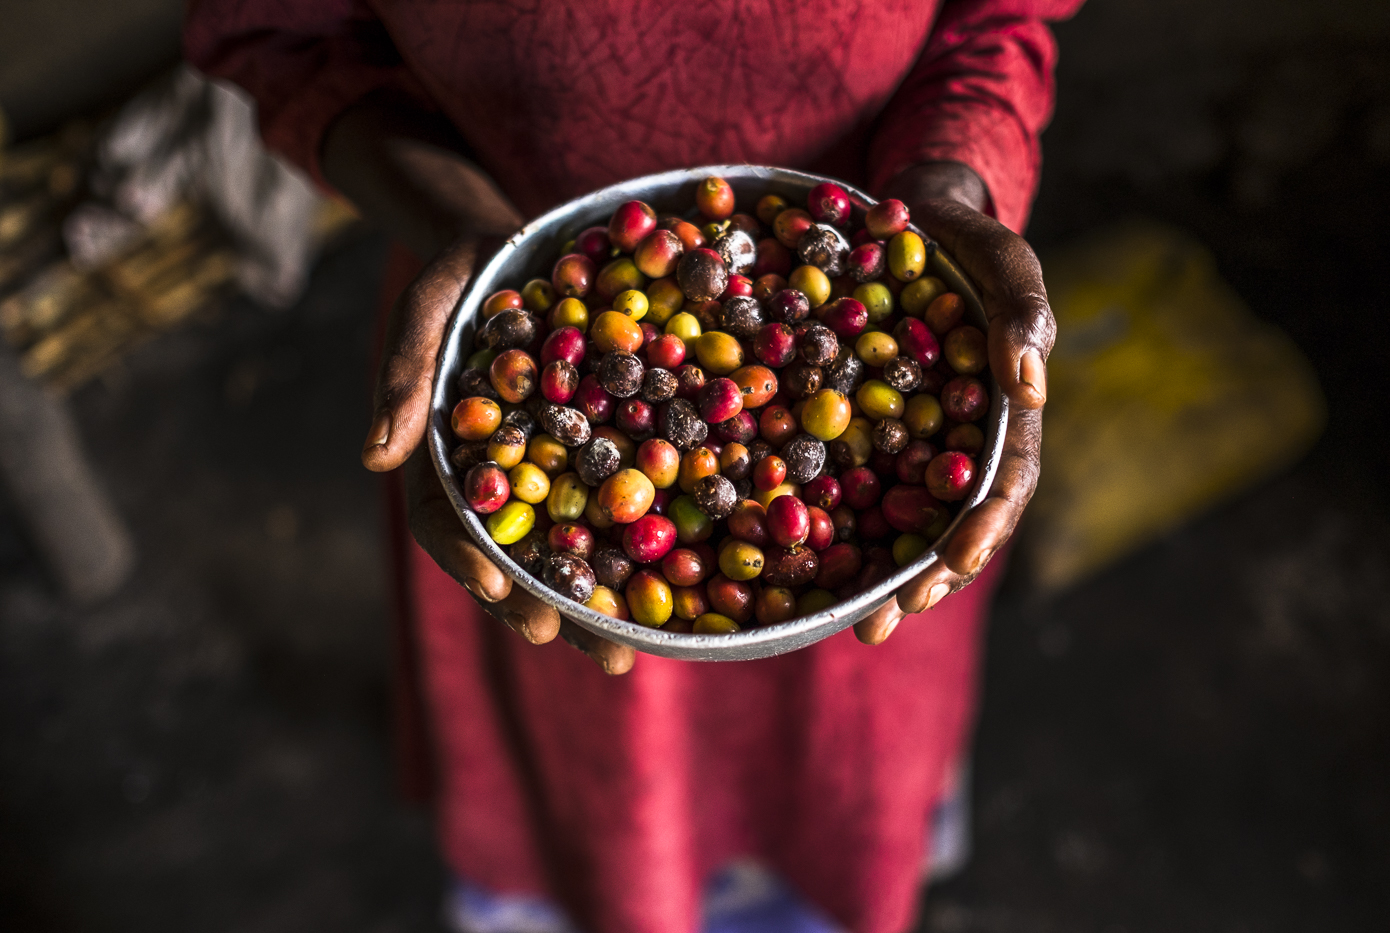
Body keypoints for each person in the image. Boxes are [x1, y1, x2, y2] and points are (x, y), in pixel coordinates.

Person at [185, 2, 1074, 930]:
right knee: (598, 759)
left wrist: (948, 198)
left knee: (842, 720)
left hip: (883, 320)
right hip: (502, 309)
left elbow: (997, 21)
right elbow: (287, 41)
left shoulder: (837, 414)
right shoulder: (587, 409)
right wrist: (484, 240)